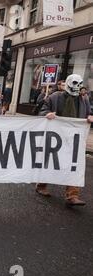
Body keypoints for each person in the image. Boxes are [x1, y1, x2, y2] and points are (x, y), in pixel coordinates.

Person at [37, 74, 93, 206]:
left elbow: (88, 113)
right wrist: (47, 114)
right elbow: (42, 110)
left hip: (74, 137)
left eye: (79, 85)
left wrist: (90, 117)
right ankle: (41, 185)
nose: (77, 88)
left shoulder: (84, 99)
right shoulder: (54, 97)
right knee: (52, 161)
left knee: (74, 164)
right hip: (57, 137)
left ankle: (72, 195)